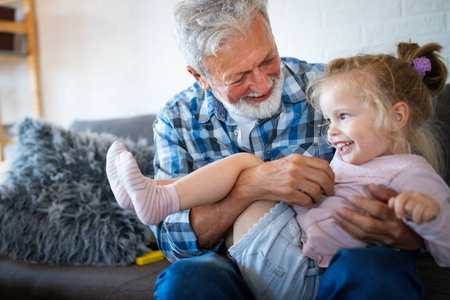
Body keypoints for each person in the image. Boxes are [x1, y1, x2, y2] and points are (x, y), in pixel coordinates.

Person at [119, 0, 427, 299]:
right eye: (238, 77)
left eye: (268, 59)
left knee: (376, 269)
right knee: (185, 281)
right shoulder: (177, 119)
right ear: (200, 77)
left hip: (335, 261)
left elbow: (409, 178)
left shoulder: (333, 89)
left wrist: (408, 236)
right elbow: (175, 244)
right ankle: (152, 190)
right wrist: (247, 188)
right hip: (230, 271)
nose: (262, 83)